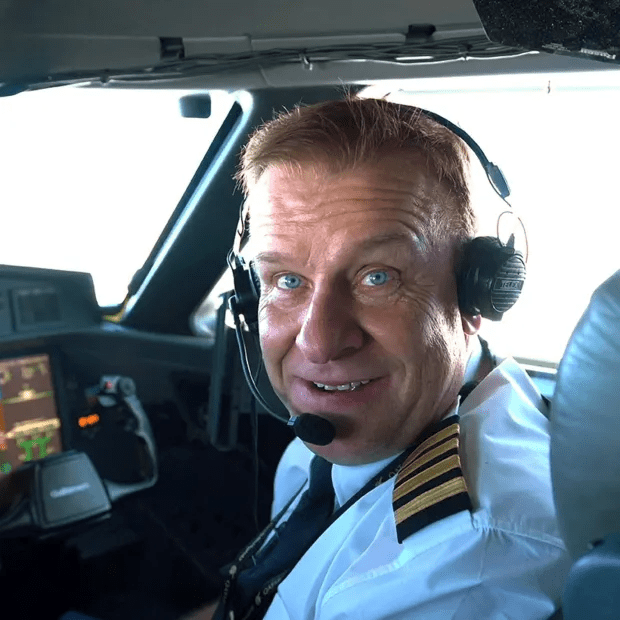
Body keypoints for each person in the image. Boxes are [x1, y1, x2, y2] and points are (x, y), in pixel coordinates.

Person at [190, 97, 570, 619]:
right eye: (286, 280)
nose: (319, 342)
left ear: (477, 294)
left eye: (378, 277)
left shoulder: (463, 563)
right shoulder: (328, 442)